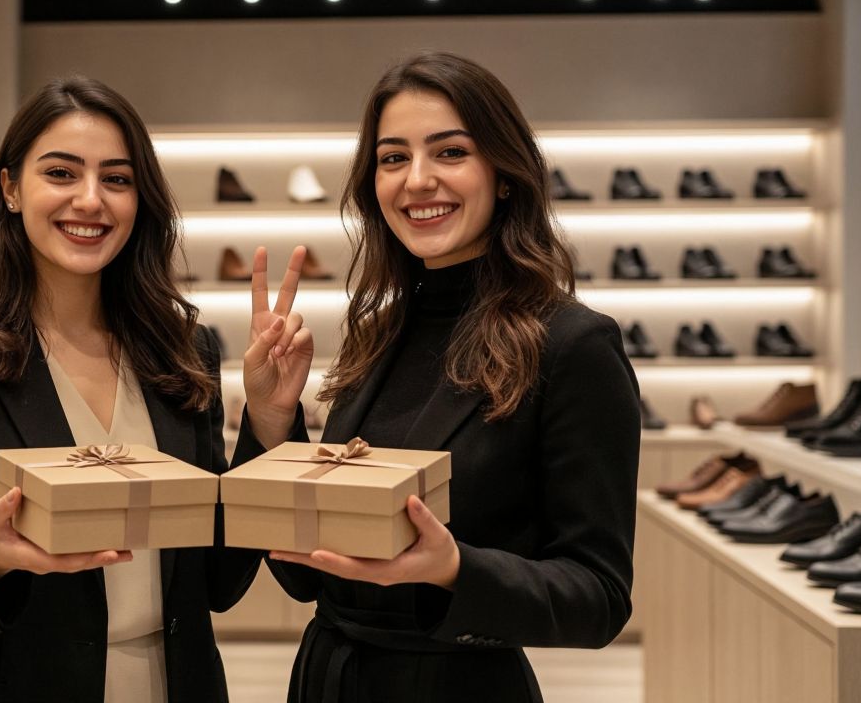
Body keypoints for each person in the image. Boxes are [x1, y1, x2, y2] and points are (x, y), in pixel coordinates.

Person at [241, 51, 640, 702]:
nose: (417, 180)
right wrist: (272, 421)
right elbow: (306, 578)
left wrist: (456, 569)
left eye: (450, 152)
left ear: (503, 173)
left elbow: (598, 598)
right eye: (393, 158)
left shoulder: (573, 345)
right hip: (328, 678)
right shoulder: (380, 334)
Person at [0, 76, 262, 702]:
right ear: (10, 188)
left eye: (117, 178)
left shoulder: (187, 352)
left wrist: (267, 422)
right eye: (60, 173)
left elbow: (216, 578)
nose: (90, 200)